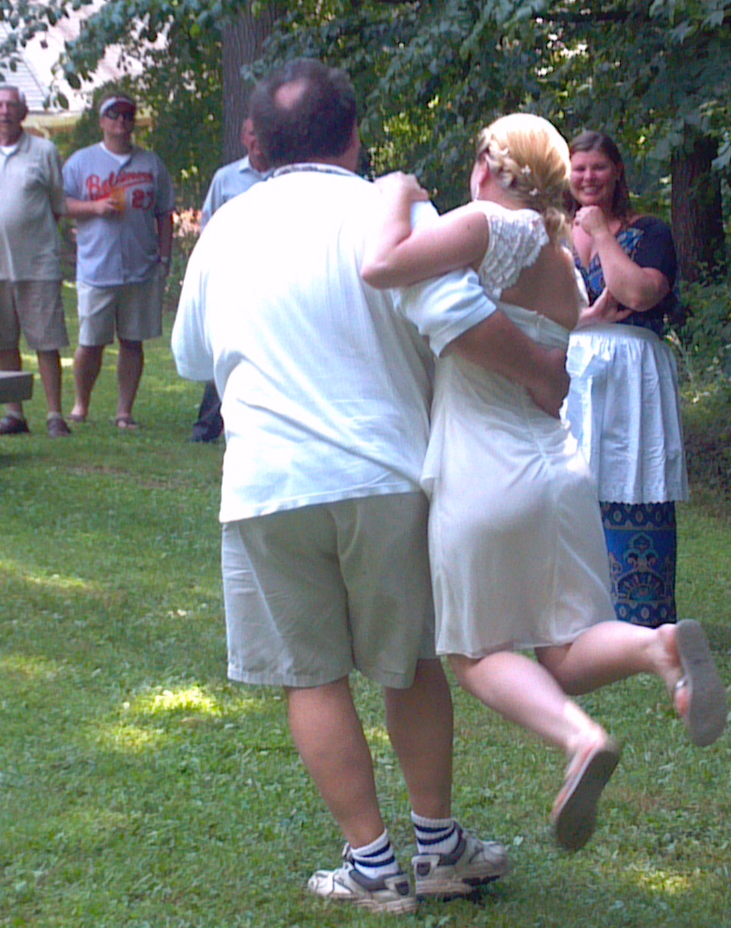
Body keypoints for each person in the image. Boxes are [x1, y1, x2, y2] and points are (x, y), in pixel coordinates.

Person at [174, 60, 571, 914]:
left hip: (267, 480)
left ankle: (372, 863)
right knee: (410, 662)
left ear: (258, 145)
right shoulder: (390, 211)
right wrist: (542, 370)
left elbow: (189, 356)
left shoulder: (225, 228)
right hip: (388, 470)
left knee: (311, 675)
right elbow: (456, 317)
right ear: (353, 135)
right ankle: (437, 846)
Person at [361, 113, 728, 853]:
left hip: (483, 470)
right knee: (566, 648)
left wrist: (396, 191)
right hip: (559, 468)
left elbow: (382, 264)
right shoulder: (562, 260)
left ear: (491, 168)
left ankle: (579, 739)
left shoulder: (488, 226)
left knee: (475, 654)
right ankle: (657, 646)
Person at [563, 131, 689, 628]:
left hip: (634, 373)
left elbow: (638, 294)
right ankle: (573, 619)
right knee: (565, 482)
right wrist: (588, 319)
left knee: (632, 475)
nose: (588, 177)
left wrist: (600, 232)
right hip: (568, 370)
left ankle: (641, 615)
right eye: (578, 168)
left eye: (598, 167)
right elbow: (526, 313)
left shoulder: (650, 232)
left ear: (617, 172)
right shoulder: (548, 235)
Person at [0, 85, 70, 439]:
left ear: (23, 111)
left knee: (46, 342)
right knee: (3, 342)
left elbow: (57, 206)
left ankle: (54, 415)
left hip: (38, 264)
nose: (5, 111)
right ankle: (14, 414)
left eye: (11, 105)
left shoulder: (44, 151)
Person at [62, 94, 174, 430]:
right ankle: (81, 406)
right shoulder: (81, 162)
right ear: (102, 122)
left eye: (127, 115)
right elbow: (60, 203)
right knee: (90, 342)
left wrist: (164, 256)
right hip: (97, 267)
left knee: (132, 341)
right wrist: (94, 207)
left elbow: (165, 213)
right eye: (113, 115)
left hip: (140, 267)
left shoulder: (150, 164)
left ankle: (124, 412)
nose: (121, 121)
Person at [187, 117, 269, 443]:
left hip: (275, 276)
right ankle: (207, 426)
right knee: (225, 346)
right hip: (233, 276)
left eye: (263, 132)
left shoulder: (285, 175)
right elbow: (209, 227)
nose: (258, 139)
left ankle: (258, 422)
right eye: (252, 133)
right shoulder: (226, 178)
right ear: (243, 138)